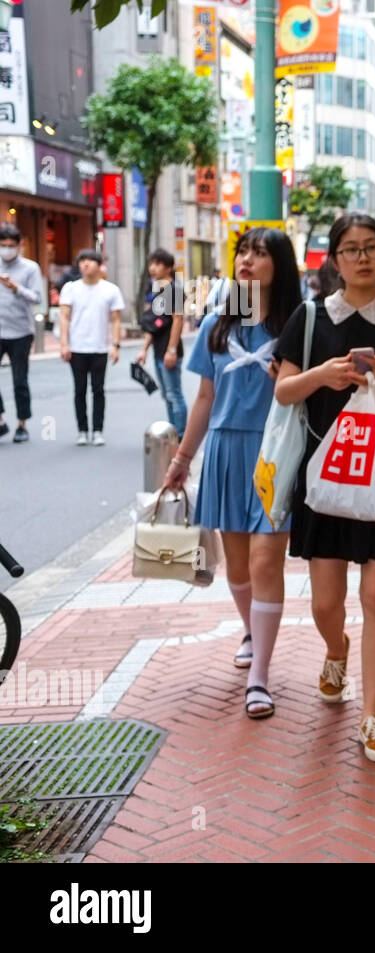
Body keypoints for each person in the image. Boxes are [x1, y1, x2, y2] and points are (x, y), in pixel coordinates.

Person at [274, 212, 375, 762]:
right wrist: (325, 374)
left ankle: (373, 715)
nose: (361, 257)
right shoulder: (312, 316)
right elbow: (284, 391)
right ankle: (335, 648)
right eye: (350, 249)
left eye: (371, 247)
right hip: (327, 478)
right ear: (335, 260)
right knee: (326, 602)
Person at [163, 227, 302, 719]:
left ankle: (260, 675)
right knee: (238, 566)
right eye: (243, 252)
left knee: (267, 562)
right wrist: (181, 460)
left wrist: (289, 382)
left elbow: (313, 394)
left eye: (260, 254)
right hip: (225, 450)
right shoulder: (217, 327)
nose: (247, 261)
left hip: (275, 454)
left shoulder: (296, 324)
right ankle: (250, 629)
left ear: (279, 266)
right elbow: (204, 399)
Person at [59, 250, 124, 446]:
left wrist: (115, 345)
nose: (85, 264)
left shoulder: (110, 290)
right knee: (79, 390)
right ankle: (82, 430)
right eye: (82, 261)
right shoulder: (70, 288)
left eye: (90, 261)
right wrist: (64, 344)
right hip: (77, 347)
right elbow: (64, 317)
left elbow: (115, 320)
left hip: (100, 347)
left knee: (98, 390)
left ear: (99, 264)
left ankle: (97, 430)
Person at [136, 249, 188, 438]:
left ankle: (180, 436)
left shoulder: (175, 290)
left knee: (175, 395)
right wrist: (144, 350)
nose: (153, 268)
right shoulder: (157, 290)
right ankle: (173, 434)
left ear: (169, 267)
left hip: (169, 350)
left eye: (158, 264)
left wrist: (172, 350)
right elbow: (153, 324)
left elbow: (178, 320)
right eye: (151, 264)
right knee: (167, 395)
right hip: (159, 350)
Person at [0, 223, 44, 443]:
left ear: (19, 245)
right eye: (3, 245)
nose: (6, 249)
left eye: (10, 245)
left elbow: (37, 298)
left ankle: (22, 424)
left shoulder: (30, 268)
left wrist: (16, 287)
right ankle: (0, 421)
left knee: (19, 380)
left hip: (20, 332)